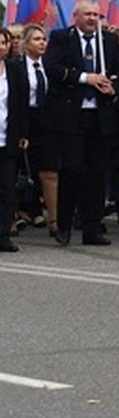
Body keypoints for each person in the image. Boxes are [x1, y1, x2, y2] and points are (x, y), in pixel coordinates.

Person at [46, 0, 119, 246]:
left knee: (96, 173)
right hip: (72, 116)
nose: (93, 18)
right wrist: (85, 78)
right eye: (88, 14)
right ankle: (64, 224)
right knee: (73, 170)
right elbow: (53, 67)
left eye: (96, 14)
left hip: (100, 116)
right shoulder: (61, 38)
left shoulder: (108, 40)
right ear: (76, 16)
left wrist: (114, 86)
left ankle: (92, 227)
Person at [20, 24, 58, 237]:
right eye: (36, 39)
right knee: (18, 171)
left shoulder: (50, 65)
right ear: (26, 44)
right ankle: (11, 217)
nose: (42, 42)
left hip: (47, 122)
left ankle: (54, 219)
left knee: (49, 171)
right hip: (24, 119)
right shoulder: (16, 66)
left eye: (43, 39)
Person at [0, 27, 29, 253]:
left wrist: (23, 134)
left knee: (7, 189)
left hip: (7, 138)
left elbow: (21, 105)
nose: (1, 46)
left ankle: (3, 235)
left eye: (4, 42)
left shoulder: (15, 70)